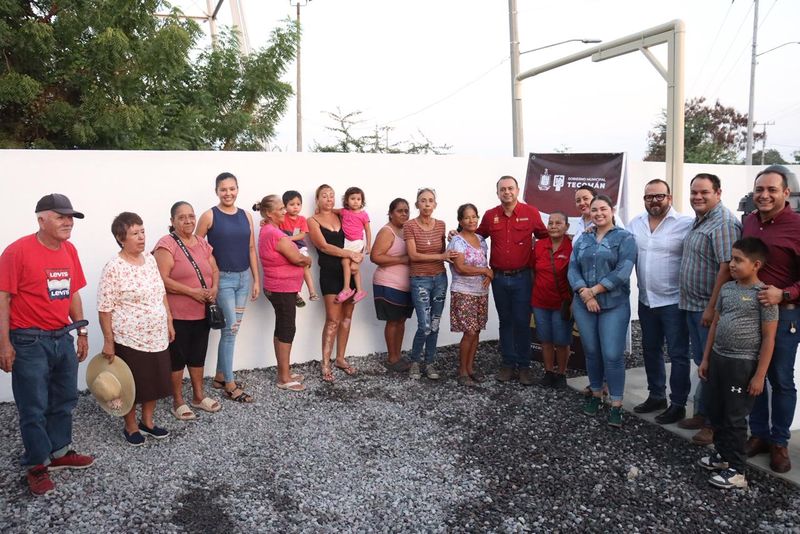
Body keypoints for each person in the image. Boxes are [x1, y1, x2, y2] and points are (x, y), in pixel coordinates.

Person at [0, 194, 94, 496]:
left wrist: (81, 332)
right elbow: (3, 298)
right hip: (28, 340)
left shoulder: (69, 250)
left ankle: (59, 452)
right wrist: (4, 344)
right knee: (33, 406)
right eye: (60, 216)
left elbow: (74, 293)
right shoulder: (17, 252)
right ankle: (37, 464)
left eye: (71, 217)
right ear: (41, 219)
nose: (68, 222)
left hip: (62, 336)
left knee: (65, 400)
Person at [697, 237, 778, 489]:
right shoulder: (727, 289)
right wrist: (706, 358)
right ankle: (722, 457)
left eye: (738, 260)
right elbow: (716, 324)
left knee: (734, 417)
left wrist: (759, 374)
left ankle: (737, 470)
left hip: (742, 366)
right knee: (717, 411)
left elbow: (768, 338)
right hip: (719, 360)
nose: (731, 264)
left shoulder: (763, 295)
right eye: (732, 258)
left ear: (755, 265)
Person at [97, 212, 173, 446]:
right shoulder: (114, 267)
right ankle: (130, 425)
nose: (141, 238)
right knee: (132, 384)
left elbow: (160, 292)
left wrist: (169, 320)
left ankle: (147, 422)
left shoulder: (150, 260)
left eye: (142, 232)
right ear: (121, 238)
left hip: (157, 335)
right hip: (129, 338)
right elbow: (104, 308)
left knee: (155, 381)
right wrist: (109, 341)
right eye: (135, 234)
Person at [743, 165, 800, 473]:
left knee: (780, 379)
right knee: (754, 377)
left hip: (784, 315)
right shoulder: (749, 222)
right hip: (750, 315)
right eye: (759, 190)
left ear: (786, 193)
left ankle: (779, 442)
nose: (764, 196)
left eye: (772, 190)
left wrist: (786, 294)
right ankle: (759, 434)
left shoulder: (797, 226)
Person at [678, 173, 742, 445]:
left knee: (714, 368)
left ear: (718, 193)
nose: (697, 197)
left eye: (704, 192)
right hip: (692, 306)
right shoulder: (701, 220)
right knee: (702, 364)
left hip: (708, 309)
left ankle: (714, 426)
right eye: (694, 192)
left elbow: (728, 269)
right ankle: (704, 414)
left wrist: (712, 308)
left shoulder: (724, 224)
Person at [568, 195, 637, 428]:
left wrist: (593, 291)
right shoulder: (584, 238)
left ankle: (616, 404)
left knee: (612, 355)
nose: (598, 213)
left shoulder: (625, 238)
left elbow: (623, 271)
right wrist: (583, 292)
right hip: (583, 303)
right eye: (594, 209)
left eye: (603, 209)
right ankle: (596, 394)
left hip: (613, 304)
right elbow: (572, 267)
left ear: (612, 210)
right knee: (591, 351)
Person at [629, 179, 693, 424]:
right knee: (650, 349)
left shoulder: (685, 224)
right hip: (646, 300)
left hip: (673, 301)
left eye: (659, 196)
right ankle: (657, 395)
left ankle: (678, 403)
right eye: (649, 197)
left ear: (670, 197)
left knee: (678, 354)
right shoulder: (636, 224)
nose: (654, 201)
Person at [476, 176, 547, 385]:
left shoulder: (530, 213)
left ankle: (524, 367)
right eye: (502, 189)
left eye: (510, 188)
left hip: (523, 277)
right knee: (505, 322)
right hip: (498, 278)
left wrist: (572, 237)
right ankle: (508, 363)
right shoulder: (490, 216)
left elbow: (545, 235)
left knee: (522, 322)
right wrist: (457, 234)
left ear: (517, 190)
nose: (506, 192)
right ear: (497, 192)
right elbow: (477, 236)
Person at [153, 202, 221, 421]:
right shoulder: (167, 244)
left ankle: (198, 396)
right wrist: (191, 292)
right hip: (178, 313)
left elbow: (214, 269)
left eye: (191, 216)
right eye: (181, 217)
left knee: (198, 355)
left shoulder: (202, 243)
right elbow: (161, 279)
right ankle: (178, 400)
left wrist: (214, 288)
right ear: (172, 221)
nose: (188, 221)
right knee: (177, 358)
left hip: (202, 311)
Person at [196, 172, 259, 403]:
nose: (228, 193)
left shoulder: (246, 216)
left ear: (237, 189)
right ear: (216, 191)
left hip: (243, 279)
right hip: (222, 281)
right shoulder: (209, 216)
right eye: (223, 189)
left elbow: (251, 248)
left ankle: (220, 376)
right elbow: (197, 250)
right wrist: (208, 282)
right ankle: (230, 384)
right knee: (230, 331)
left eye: (232, 188)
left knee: (234, 329)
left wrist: (256, 280)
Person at [255, 195, 313, 391]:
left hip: (279, 288)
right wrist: (308, 260)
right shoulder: (275, 234)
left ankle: (284, 370)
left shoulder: (268, 229)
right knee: (287, 329)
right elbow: (297, 258)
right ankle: (284, 378)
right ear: (270, 213)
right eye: (280, 209)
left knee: (282, 328)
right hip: (282, 289)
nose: (284, 211)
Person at [307, 184, 362, 382]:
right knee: (332, 319)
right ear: (317, 199)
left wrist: (359, 254)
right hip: (330, 273)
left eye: (331, 196)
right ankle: (325, 362)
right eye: (324, 196)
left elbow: (357, 232)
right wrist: (350, 253)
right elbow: (323, 246)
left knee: (347, 317)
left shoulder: (342, 216)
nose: (329, 199)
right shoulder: (312, 220)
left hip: (349, 273)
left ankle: (340, 358)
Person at [404, 188, 457, 380]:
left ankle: (430, 363)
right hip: (420, 280)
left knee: (434, 323)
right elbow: (413, 256)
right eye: (423, 200)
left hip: (439, 279)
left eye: (430, 201)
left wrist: (454, 237)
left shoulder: (441, 225)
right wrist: (441, 256)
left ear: (435, 204)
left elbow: (446, 251)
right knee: (424, 325)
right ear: (417, 204)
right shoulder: (410, 226)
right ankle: (415, 362)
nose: (427, 204)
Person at [447, 203, 492, 386]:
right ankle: (462, 371)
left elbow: (485, 265)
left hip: (481, 292)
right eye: (467, 217)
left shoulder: (481, 240)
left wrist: (488, 274)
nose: (471, 220)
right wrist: (485, 271)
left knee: (477, 331)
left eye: (474, 216)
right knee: (469, 331)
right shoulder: (457, 241)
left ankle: (471, 368)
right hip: (464, 292)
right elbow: (460, 267)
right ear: (460, 220)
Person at [530, 211, 573, 388]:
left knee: (562, 340)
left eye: (558, 223)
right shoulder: (539, 246)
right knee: (545, 339)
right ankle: (548, 372)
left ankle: (561, 373)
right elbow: (532, 269)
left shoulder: (572, 247)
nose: (553, 226)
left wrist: (572, 302)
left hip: (562, 303)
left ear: (567, 226)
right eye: (550, 223)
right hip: (540, 301)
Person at [371, 198, 414, 372]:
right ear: (390, 213)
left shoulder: (408, 231)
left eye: (406, 210)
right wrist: (403, 260)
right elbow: (376, 256)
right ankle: (392, 358)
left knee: (401, 320)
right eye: (399, 211)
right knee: (393, 321)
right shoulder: (387, 232)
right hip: (388, 284)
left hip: (406, 286)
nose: (404, 214)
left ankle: (398, 355)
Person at [280, 190, 319, 307]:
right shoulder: (282, 217)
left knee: (305, 267)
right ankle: (295, 293)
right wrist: (264, 221)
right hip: (286, 248)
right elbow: (273, 225)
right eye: (292, 204)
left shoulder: (302, 219)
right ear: (285, 206)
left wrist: (290, 238)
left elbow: (303, 234)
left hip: (300, 247)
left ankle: (312, 291)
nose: (296, 207)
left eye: (298, 204)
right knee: (291, 271)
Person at [336, 187, 372, 304]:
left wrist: (368, 245)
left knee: (351, 266)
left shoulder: (363, 215)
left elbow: (367, 230)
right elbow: (333, 211)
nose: (356, 201)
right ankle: (358, 290)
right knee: (346, 263)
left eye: (358, 199)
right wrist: (320, 210)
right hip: (347, 243)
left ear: (362, 201)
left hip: (357, 243)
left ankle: (347, 288)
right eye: (352, 199)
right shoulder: (344, 212)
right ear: (347, 200)